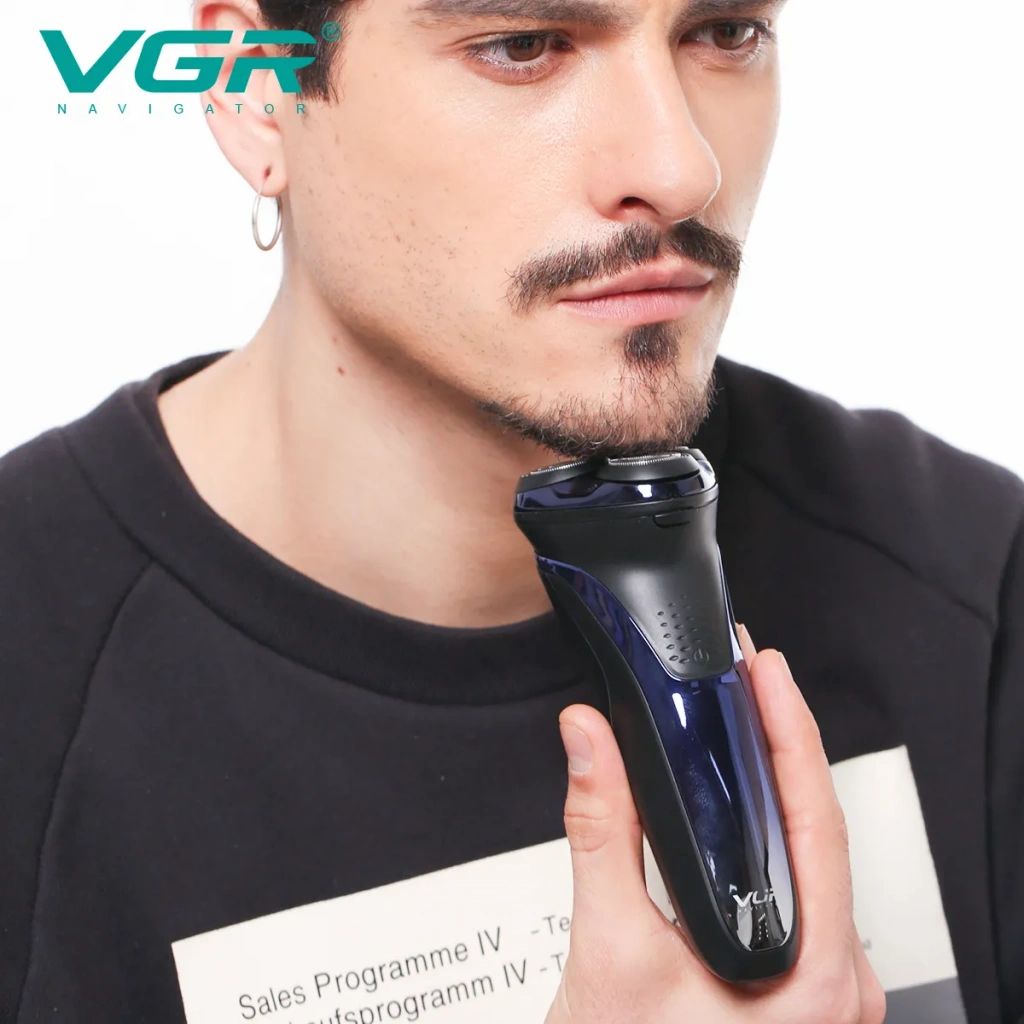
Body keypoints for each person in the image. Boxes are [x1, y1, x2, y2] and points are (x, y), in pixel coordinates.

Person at [2, 0, 1021, 1020]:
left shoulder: (973, 589)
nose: (680, 169)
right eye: (523, 46)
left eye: (724, 32)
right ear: (258, 91)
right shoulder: (29, 666)